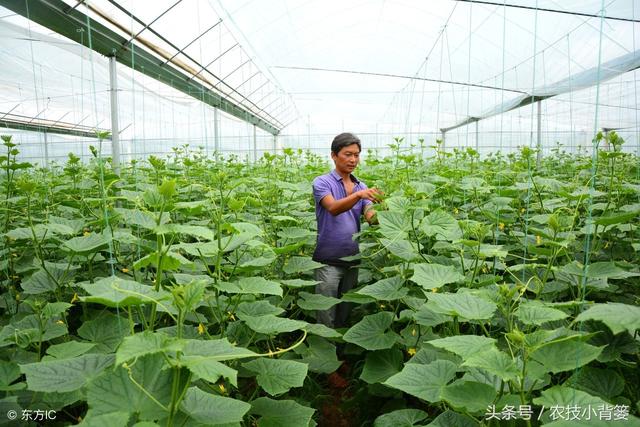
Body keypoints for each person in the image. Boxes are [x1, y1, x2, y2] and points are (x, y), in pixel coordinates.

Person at [312, 132, 382, 328]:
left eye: (357, 155)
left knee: (345, 314)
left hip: (352, 260)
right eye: (347, 154)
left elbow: (371, 218)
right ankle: (326, 356)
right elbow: (333, 207)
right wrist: (359, 196)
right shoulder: (322, 182)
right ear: (334, 155)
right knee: (326, 317)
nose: (353, 160)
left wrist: (387, 212)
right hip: (327, 261)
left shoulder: (362, 186)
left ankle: (341, 356)